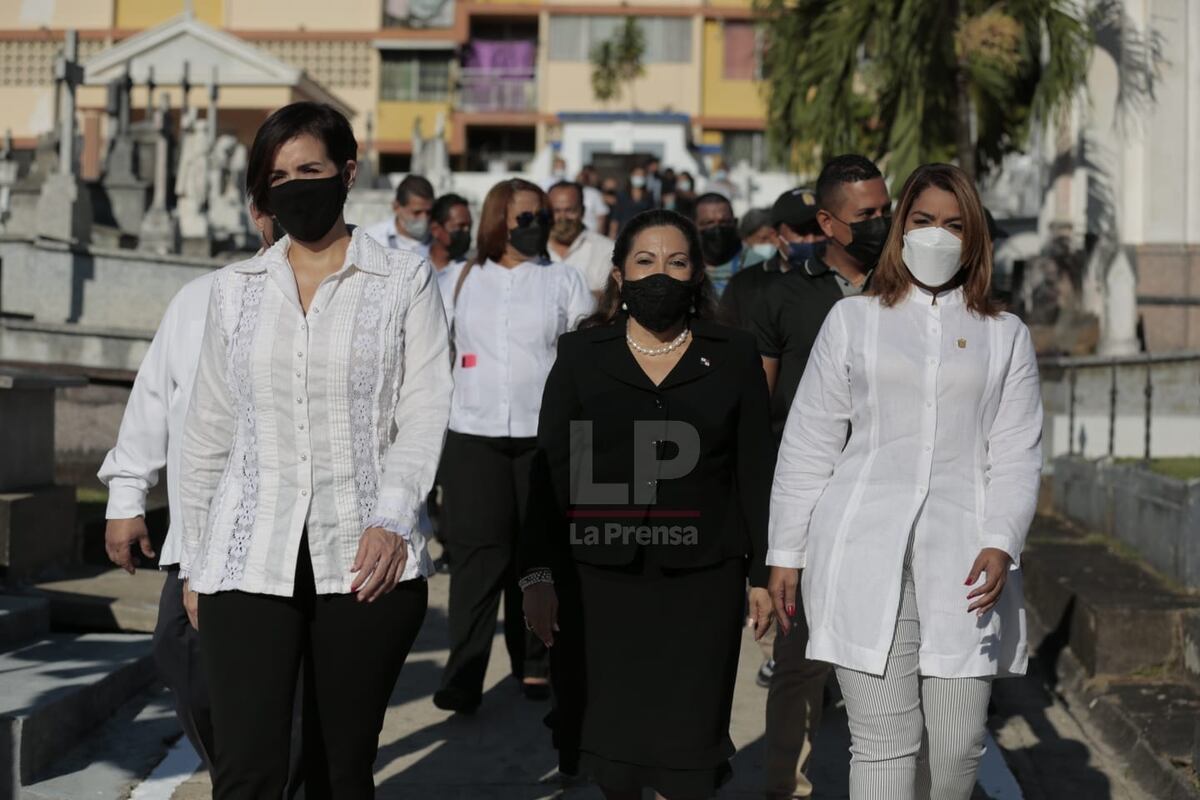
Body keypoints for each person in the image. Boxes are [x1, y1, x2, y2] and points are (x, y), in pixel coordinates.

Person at [179, 102, 452, 799]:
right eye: (278, 175)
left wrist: (393, 520)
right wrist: (194, 557)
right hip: (246, 557)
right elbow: (207, 430)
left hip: (364, 561)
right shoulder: (233, 292)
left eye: (310, 169)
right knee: (246, 770)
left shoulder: (403, 282)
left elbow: (424, 409)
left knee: (340, 766)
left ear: (348, 173)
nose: (294, 186)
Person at [767, 163, 1043, 800]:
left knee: (955, 753)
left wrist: (1002, 539)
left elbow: (1017, 452)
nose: (937, 235)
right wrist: (786, 553)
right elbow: (809, 443)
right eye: (922, 221)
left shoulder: (1005, 336)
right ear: (899, 229)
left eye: (953, 223)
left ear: (974, 237)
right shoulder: (853, 322)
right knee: (883, 748)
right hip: (862, 553)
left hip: (967, 566)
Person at [521, 208, 775, 799]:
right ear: (618, 275)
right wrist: (537, 573)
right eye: (644, 260)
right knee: (615, 750)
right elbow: (551, 474)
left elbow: (756, 471)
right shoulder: (582, 354)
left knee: (689, 746)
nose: (660, 273)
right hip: (599, 583)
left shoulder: (734, 353)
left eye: (676, 261)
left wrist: (764, 571)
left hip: (702, 582)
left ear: (697, 275)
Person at [98, 202, 280, 778]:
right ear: (257, 212)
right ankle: (242, 775)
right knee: (184, 661)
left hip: (298, 539)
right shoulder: (201, 298)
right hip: (204, 532)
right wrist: (127, 499)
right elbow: (155, 398)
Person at [434, 178, 595, 715]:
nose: (538, 225)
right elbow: (435, 360)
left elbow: (581, 360)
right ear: (499, 220)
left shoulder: (565, 281)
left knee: (538, 556)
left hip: (541, 439)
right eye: (526, 217)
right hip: (472, 436)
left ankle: (535, 662)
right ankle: (463, 674)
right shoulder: (456, 280)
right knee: (479, 558)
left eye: (543, 215)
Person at [755, 155, 891, 436]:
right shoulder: (780, 295)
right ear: (827, 223)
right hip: (805, 464)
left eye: (885, 212)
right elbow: (759, 398)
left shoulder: (904, 287)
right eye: (866, 215)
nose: (880, 224)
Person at [720, 188, 825, 332]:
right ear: (775, 236)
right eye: (801, 231)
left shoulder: (844, 279)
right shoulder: (745, 285)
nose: (811, 240)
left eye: (818, 230)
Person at [548, 181, 616, 298]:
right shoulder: (533, 251)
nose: (563, 217)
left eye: (570, 210)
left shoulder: (607, 250)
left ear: (582, 211)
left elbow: (609, 299)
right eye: (556, 211)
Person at [364, 173, 434, 257]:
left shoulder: (440, 239)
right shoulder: (372, 239)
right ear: (396, 207)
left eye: (429, 212)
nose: (424, 218)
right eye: (417, 212)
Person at [427, 192, 473, 314]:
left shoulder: (470, 273)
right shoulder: (414, 266)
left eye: (469, 226)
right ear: (435, 229)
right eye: (460, 226)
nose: (466, 232)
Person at [695, 193, 742, 297]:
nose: (717, 228)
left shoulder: (755, 266)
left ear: (735, 223)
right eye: (709, 223)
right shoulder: (682, 267)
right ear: (694, 226)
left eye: (724, 222)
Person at [607, 166, 655, 238]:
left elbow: (652, 217)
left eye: (641, 175)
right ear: (631, 176)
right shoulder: (622, 195)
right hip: (624, 233)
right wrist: (612, 236)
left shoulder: (649, 196)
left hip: (642, 235)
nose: (639, 177)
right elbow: (615, 218)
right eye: (637, 174)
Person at [577, 165, 608, 237]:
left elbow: (601, 216)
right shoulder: (573, 192)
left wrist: (600, 236)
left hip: (592, 235)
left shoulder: (595, 193)